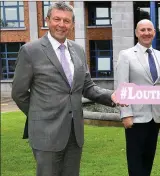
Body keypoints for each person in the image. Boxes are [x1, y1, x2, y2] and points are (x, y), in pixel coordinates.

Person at [11, 2, 117, 176]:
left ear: (72, 24)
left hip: (74, 134)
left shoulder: (78, 50)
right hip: (45, 134)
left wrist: (113, 96)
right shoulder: (30, 51)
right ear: (47, 20)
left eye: (66, 21)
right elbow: (18, 93)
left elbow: (88, 87)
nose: (61, 24)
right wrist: (39, 115)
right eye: (57, 19)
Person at [116, 19, 160, 176]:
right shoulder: (126, 55)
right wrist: (125, 114)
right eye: (142, 30)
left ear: (154, 32)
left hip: (155, 117)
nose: (146, 33)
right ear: (136, 33)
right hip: (135, 118)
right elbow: (122, 87)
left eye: (149, 30)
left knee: (148, 160)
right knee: (135, 163)